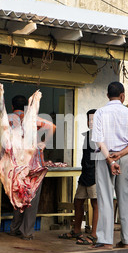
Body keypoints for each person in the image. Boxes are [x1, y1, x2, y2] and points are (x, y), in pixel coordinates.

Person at [91, 81, 128, 250]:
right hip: (125, 157)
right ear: (122, 96)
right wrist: (120, 155)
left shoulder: (100, 113)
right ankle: (127, 241)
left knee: (105, 198)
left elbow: (99, 140)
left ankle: (106, 241)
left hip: (103, 156)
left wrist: (111, 160)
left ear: (107, 95)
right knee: (126, 197)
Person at [8, 94, 56, 240]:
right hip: (34, 166)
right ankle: (27, 232)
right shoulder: (33, 120)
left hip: (16, 166)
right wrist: (43, 143)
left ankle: (14, 228)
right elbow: (53, 127)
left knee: (17, 195)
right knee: (32, 197)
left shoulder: (8, 118)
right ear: (27, 107)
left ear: (12, 106)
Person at [59, 109, 99, 245]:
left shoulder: (101, 137)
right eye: (89, 120)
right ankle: (76, 230)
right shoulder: (88, 135)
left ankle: (94, 234)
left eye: (94, 120)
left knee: (95, 204)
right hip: (85, 174)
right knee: (78, 201)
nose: (91, 122)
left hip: (95, 175)